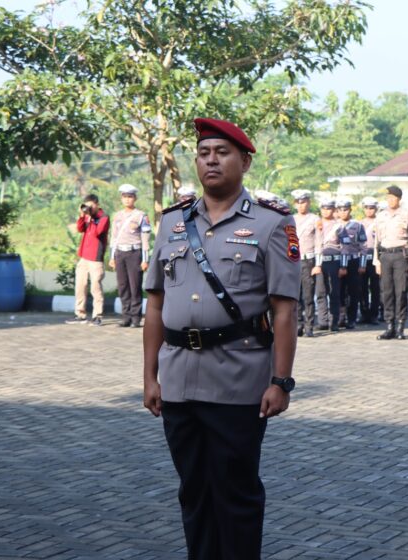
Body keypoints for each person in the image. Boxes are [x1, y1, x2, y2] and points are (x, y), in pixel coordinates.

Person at [143, 117, 299, 559]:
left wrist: (281, 381)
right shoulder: (172, 223)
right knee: (193, 492)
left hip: (239, 380)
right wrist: (150, 377)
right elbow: (154, 305)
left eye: (222, 152)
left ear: (245, 162)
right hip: (178, 380)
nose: (211, 160)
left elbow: (284, 311)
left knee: (236, 494)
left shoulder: (272, 224)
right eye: (204, 152)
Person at [373, 185, 408, 340]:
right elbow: (377, 240)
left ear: (399, 199)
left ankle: (400, 326)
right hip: (385, 255)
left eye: (393, 197)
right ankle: (389, 326)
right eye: (388, 197)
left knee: (401, 291)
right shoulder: (381, 215)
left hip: (401, 256)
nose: (390, 200)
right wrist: (376, 261)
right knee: (386, 292)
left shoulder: (407, 214)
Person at [109, 184, 152, 327]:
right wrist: (112, 257)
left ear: (135, 198)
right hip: (120, 253)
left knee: (135, 286)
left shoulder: (141, 216)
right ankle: (125, 317)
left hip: (135, 253)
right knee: (122, 286)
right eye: (125, 197)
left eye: (130, 197)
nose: (127, 200)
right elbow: (113, 238)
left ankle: (135, 318)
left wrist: (145, 260)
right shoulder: (117, 216)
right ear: (121, 198)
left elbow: (145, 239)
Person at [66, 194, 110, 326]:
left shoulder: (104, 217)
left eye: (91, 206)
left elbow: (97, 232)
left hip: (96, 258)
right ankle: (80, 314)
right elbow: (80, 229)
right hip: (84, 257)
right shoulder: (86, 216)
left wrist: (91, 218)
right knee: (80, 286)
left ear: (97, 204)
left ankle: (97, 315)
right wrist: (81, 216)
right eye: (87, 205)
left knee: (95, 287)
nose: (89, 208)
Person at [292, 189, 321, 337]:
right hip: (293, 261)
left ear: (309, 202)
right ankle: (298, 324)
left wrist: (318, 264)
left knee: (308, 296)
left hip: (308, 261)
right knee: (295, 295)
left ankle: (309, 325)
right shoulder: (290, 219)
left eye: (304, 202)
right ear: (295, 204)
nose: (301, 205)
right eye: (299, 202)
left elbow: (319, 243)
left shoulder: (315, 219)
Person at [336, 197, 367, 329]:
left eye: (346, 209)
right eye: (341, 210)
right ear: (337, 211)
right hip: (337, 262)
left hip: (353, 261)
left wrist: (363, 264)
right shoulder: (333, 225)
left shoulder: (358, 225)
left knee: (354, 291)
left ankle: (352, 318)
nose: (344, 212)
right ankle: (341, 316)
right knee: (338, 290)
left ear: (350, 210)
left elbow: (363, 247)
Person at [314, 200, 337, 330]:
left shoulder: (338, 225)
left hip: (333, 261)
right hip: (319, 261)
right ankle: (322, 321)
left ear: (333, 210)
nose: (326, 211)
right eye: (323, 208)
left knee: (334, 292)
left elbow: (344, 247)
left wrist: (343, 266)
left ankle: (334, 322)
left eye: (329, 209)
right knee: (320, 292)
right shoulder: (316, 223)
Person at [359, 197, 381, 324]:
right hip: (362, 256)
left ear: (376, 209)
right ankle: (364, 313)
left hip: (375, 256)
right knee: (362, 287)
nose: (369, 210)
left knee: (375, 287)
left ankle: (374, 314)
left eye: (371, 208)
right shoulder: (358, 224)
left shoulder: (379, 222)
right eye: (366, 208)